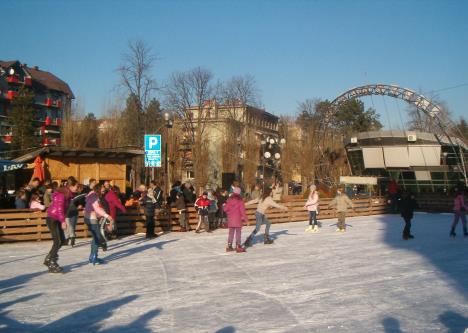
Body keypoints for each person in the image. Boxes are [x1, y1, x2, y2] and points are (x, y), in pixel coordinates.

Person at [44, 182, 75, 273]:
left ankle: (49, 258)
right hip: (53, 219)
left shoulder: (68, 196)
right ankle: (51, 262)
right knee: (57, 241)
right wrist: (63, 221)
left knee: (62, 241)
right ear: (70, 187)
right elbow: (59, 209)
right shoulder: (61, 195)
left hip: (57, 219)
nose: (78, 188)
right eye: (76, 186)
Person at [85, 184, 113, 265]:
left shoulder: (92, 194)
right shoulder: (94, 196)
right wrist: (107, 216)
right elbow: (96, 208)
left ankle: (92, 256)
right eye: (102, 188)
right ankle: (94, 256)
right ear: (98, 189)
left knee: (95, 237)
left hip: (89, 218)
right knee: (97, 237)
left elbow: (93, 207)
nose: (104, 190)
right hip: (91, 219)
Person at [223, 187, 247, 253]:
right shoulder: (240, 201)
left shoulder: (229, 200)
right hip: (238, 220)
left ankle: (229, 246)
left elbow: (225, 209)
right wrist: (246, 220)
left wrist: (225, 206)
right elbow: (243, 212)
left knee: (231, 233)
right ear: (239, 193)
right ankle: (238, 246)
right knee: (238, 233)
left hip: (230, 220)